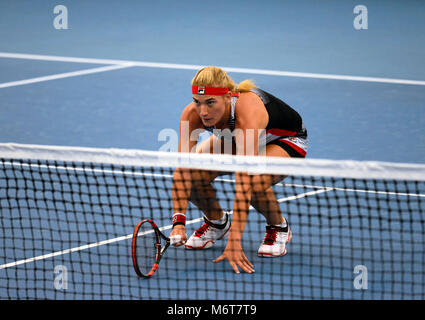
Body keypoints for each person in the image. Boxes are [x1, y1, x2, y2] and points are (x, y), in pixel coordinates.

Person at [169, 66, 308, 274]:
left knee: (254, 183)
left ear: (227, 97)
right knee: (194, 172)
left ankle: (278, 227)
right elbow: (182, 170)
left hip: (284, 139)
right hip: (237, 139)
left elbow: (244, 180)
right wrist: (179, 221)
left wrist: (234, 242)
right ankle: (216, 222)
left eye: (210, 102)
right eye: (197, 102)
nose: (203, 111)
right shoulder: (191, 115)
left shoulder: (248, 111)